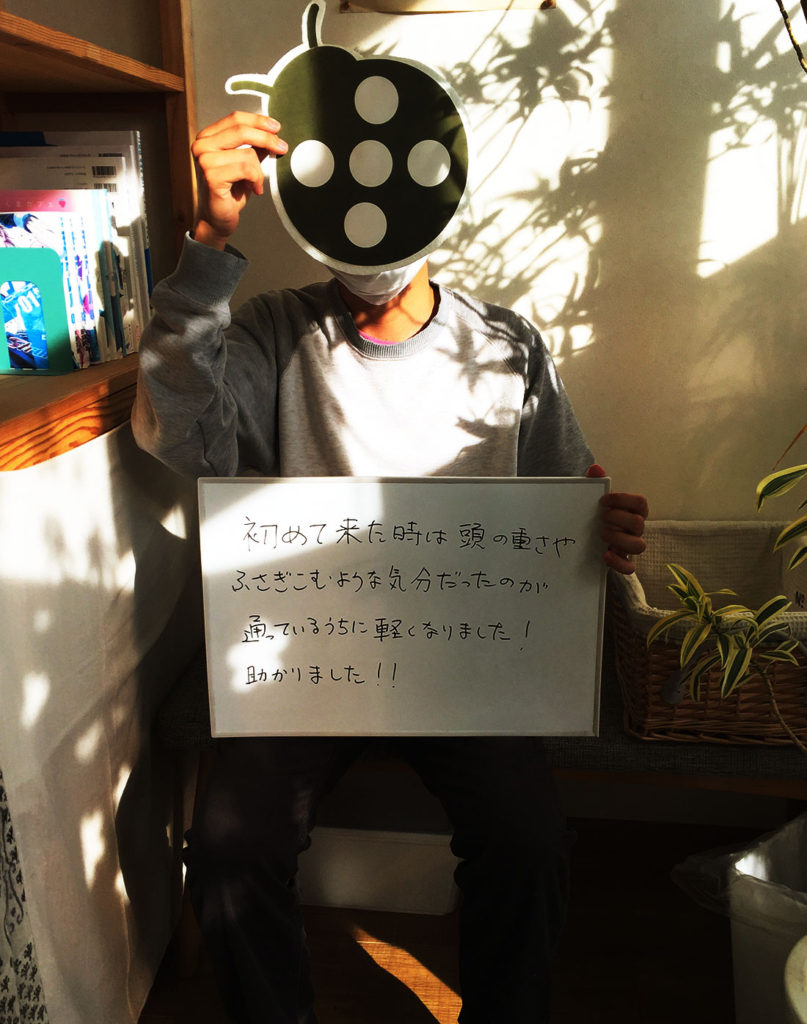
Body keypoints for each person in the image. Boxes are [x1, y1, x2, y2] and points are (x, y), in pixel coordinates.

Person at [132, 110, 649, 1024]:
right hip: (309, 660)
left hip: (468, 664)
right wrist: (208, 240)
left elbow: (561, 493)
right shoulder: (273, 331)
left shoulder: (507, 343)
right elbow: (182, 438)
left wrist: (596, 525)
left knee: (527, 841)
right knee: (227, 847)